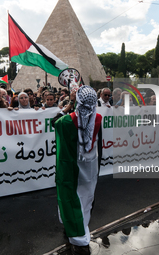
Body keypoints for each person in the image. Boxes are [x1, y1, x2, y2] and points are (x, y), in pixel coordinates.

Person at [52, 86, 102, 255]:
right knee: (86, 200)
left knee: (71, 200)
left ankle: (78, 239)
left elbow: (54, 121)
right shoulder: (98, 118)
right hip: (90, 170)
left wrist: (70, 104)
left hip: (72, 170)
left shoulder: (66, 122)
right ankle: (81, 229)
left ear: (78, 101)